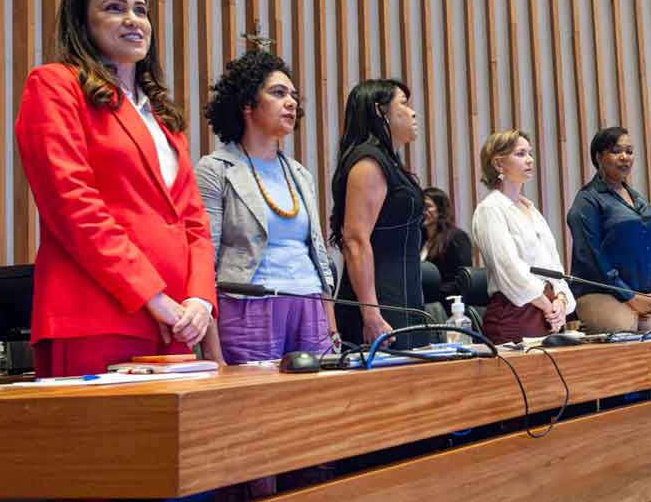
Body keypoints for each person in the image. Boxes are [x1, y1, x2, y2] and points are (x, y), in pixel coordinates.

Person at [14, 0, 215, 379]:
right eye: (115, 8)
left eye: (141, 10)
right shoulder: (55, 85)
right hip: (98, 315)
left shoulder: (160, 113)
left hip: (174, 323)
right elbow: (74, 207)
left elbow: (193, 221)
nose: (133, 20)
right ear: (83, 25)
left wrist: (199, 300)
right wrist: (152, 296)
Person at [195, 50, 337, 365]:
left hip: (308, 302)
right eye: (278, 93)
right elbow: (205, 260)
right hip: (247, 307)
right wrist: (212, 350)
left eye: (293, 95)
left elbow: (318, 257)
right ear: (247, 104)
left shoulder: (301, 174)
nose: (291, 102)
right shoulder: (215, 169)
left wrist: (332, 329)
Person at [331, 79, 425, 349]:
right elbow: (354, 241)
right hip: (380, 309)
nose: (413, 112)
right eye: (404, 105)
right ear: (380, 111)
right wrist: (371, 314)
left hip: (405, 302)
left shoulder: (390, 162)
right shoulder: (368, 163)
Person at [472, 130, 575, 343]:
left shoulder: (532, 210)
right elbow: (508, 267)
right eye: (520, 154)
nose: (529, 160)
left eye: (530, 153)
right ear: (499, 164)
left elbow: (554, 265)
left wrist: (561, 301)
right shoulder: (490, 209)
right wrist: (548, 306)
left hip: (547, 314)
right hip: (514, 315)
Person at [566, 127, 651, 333]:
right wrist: (629, 296)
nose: (625, 157)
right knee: (625, 356)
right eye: (616, 151)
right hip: (603, 293)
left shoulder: (639, 199)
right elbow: (591, 256)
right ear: (599, 157)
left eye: (629, 151)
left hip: (645, 296)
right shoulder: (588, 199)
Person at [421, 187, 473, 308]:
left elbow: (463, 278)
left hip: (447, 306)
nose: (423, 211)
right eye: (420, 207)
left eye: (427, 206)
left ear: (440, 209)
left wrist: (435, 293)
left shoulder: (456, 237)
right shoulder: (419, 240)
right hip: (423, 304)